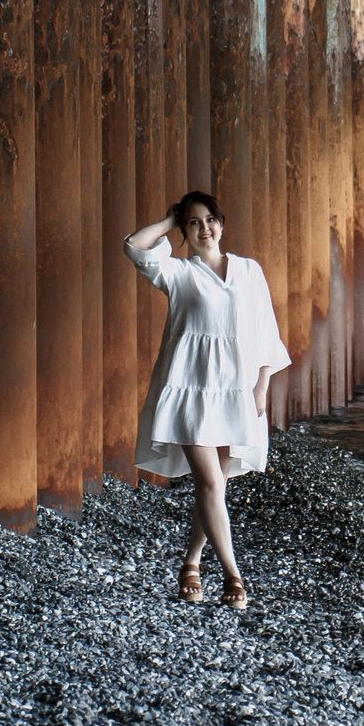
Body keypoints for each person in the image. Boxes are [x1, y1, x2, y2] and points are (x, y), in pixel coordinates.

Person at [122, 193, 291, 609]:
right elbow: (134, 246)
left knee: (212, 489)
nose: (203, 229)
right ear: (185, 230)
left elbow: (265, 330)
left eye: (210, 220)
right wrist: (169, 221)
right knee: (211, 483)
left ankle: (191, 562)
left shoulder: (250, 272)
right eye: (194, 223)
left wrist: (262, 385)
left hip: (237, 392)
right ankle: (234, 576)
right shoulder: (178, 273)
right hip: (189, 391)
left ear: (222, 223)